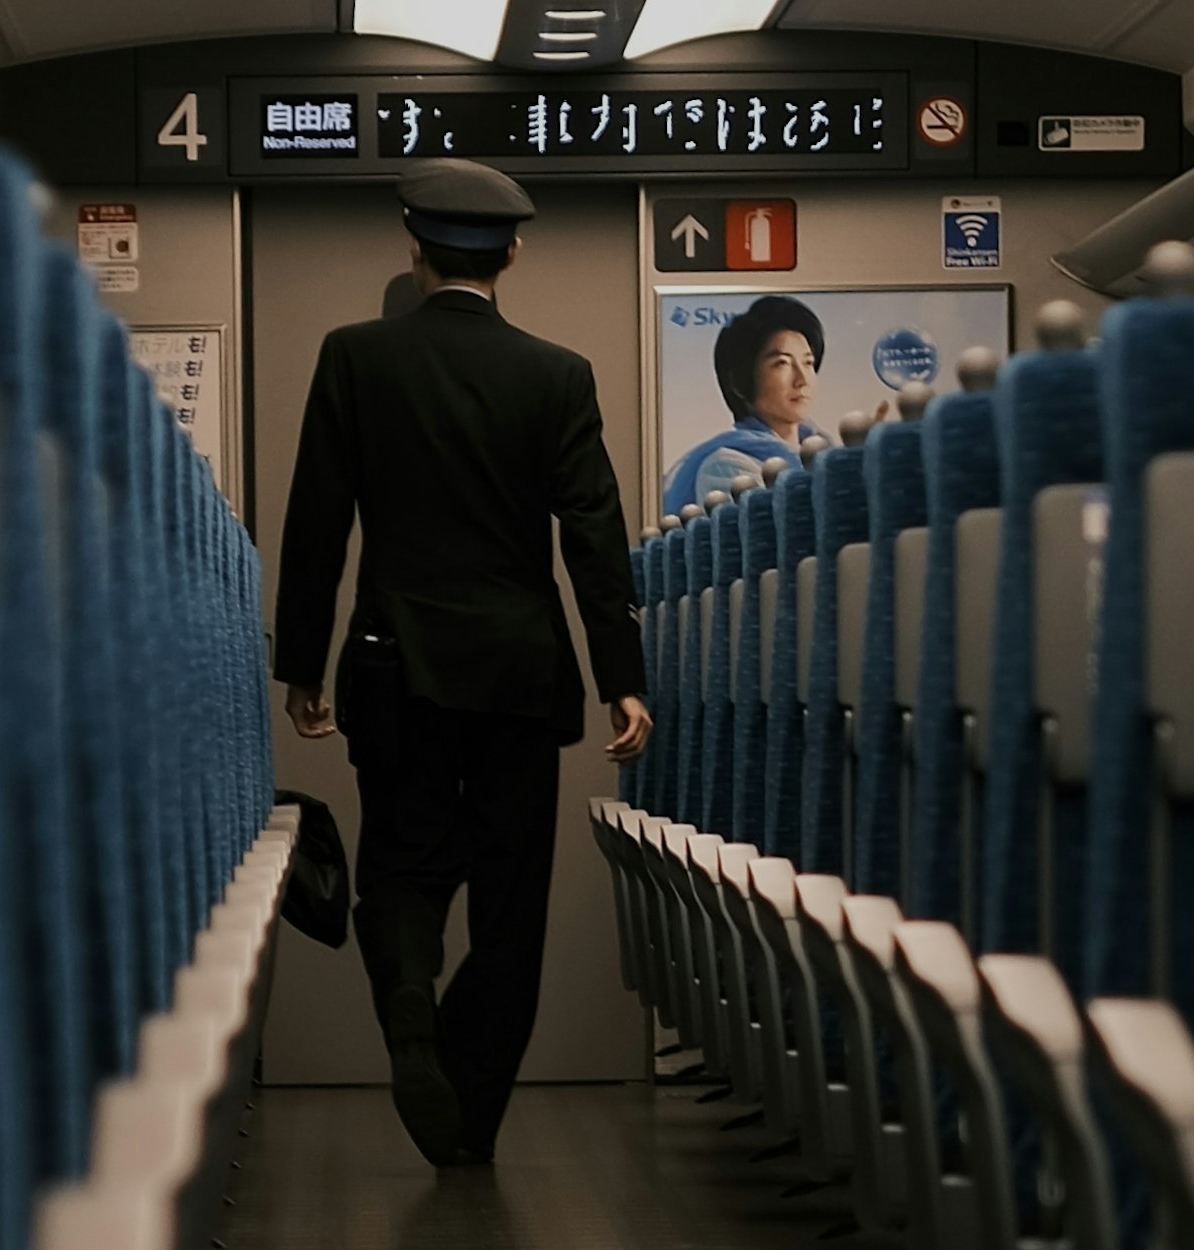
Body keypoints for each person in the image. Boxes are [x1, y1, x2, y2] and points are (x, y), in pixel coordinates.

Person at [273, 159, 652, 1170]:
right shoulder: (558, 373)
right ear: (513, 254)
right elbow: (595, 535)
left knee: (402, 857)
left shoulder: (355, 356)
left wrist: (300, 662)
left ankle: (405, 997)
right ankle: (467, 1118)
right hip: (521, 674)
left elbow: (319, 522)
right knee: (511, 892)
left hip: (393, 660)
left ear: (414, 244)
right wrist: (625, 673)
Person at [659, 286, 826, 515]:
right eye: (782, 363)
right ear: (738, 383)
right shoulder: (725, 466)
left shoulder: (825, 453)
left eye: (808, 363)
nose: (802, 379)